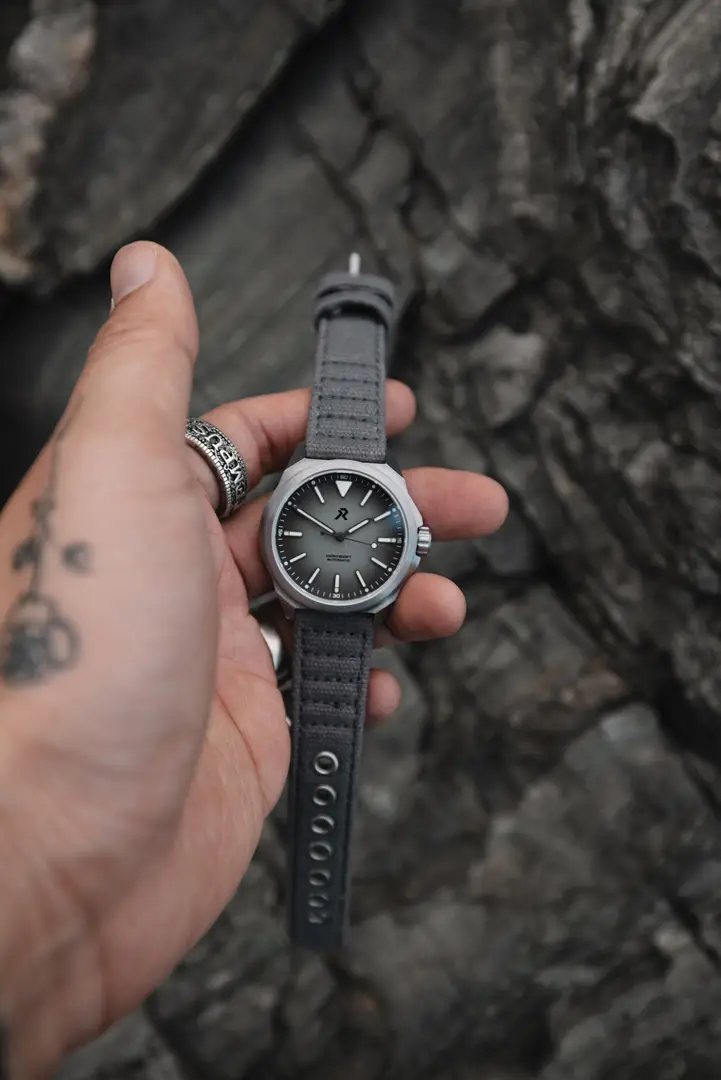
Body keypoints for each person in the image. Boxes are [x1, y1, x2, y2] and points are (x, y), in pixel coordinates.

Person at [0, 242, 508, 1078]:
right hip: (308, 609)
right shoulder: (341, 525)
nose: (346, 529)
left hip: (320, 613)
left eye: (371, 531)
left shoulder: (335, 523)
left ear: (404, 541)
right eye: (324, 523)